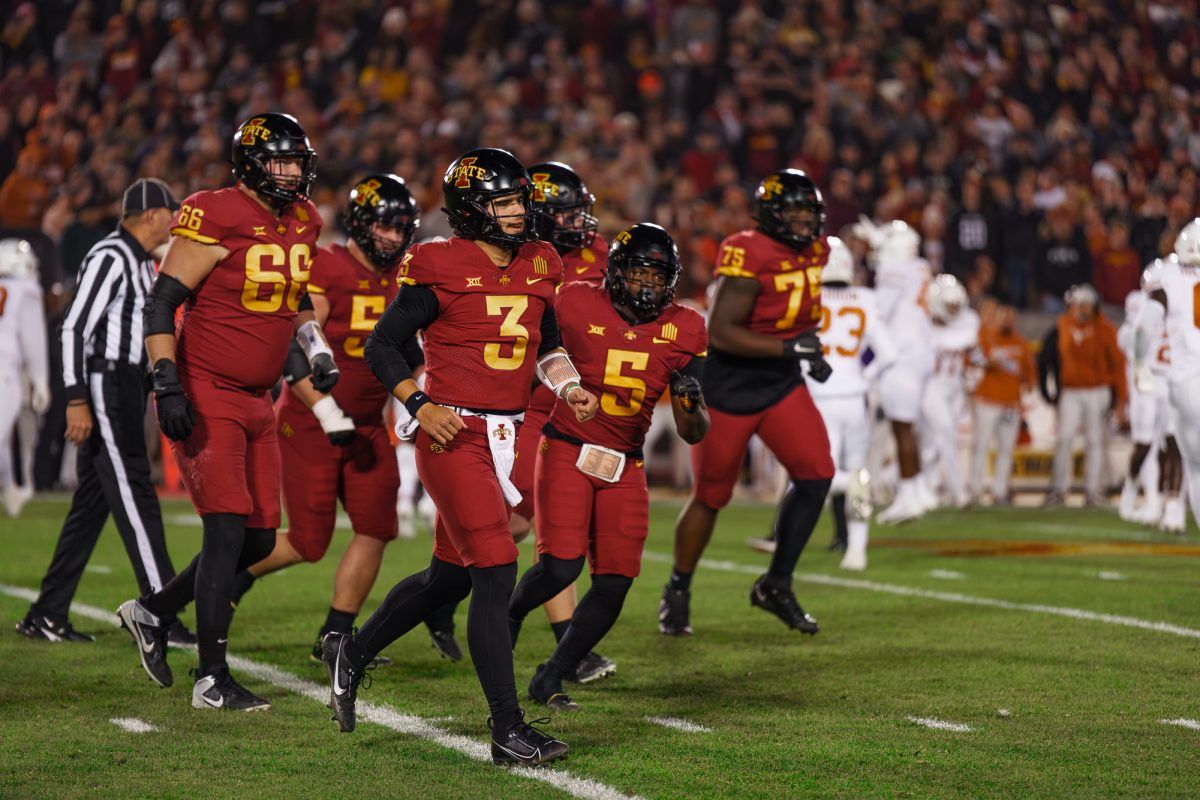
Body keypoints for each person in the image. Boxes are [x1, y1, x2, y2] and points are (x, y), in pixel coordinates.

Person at [322, 147, 599, 767]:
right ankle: (507, 729)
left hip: (505, 437)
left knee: (447, 577)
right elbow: (383, 345)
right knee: (496, 570)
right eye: (502, 202)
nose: (516, 212)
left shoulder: (540, 261)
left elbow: (546, 345)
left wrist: (567, 383)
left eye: (518, 200)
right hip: (453, 434)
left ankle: (353, 652)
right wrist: (419, 405)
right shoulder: (441, 263)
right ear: (473, 208)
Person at [115, 114, 338, 711]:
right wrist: (166, 384)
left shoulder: (305, 220)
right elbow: (162, 303)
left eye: (298, 161)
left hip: (258, 394)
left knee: (261, 535)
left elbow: (290, 299)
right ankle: (211, 676)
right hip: (206, 385)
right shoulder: (215, 212)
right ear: (250, 165)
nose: (292, 172)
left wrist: (314, 346)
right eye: (280, 161)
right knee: (226, 528)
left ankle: (152, 611)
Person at [508, 223, 709, 710]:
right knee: (559, 566)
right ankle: (507, 618)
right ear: (616, 273)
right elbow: (538, 356)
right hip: (566, 447)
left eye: (657, 276)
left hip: (626, 462)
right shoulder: (575, 301)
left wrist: (689, 403)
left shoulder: (687, 327)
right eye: (638, 272)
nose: (647, 285)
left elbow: (695, 432)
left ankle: (552, 673)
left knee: (616, 580)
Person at [226, 174, 422, 661]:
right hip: (311, 420)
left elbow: (412, 349)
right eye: (385, 228)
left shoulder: (404, 277)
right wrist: (326, 408)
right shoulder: (330, 266)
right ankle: (226, 582)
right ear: (359, 224)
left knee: (377, 527)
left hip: (368, 423)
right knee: (306, 542)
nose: (394, 239)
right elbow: (300, 340)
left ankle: (334, 637)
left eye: (401, 230)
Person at [16, 181, 193, 644]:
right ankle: (161, 613)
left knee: (92, 505)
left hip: (123, 383)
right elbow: (74, 327)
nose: (172, 221)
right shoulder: (112, 255)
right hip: (105, 382)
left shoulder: (137, 260)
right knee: (137, 491)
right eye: (169, 212)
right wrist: (77, 398)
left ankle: (47, 612)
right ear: (152, 213)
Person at [662, 169, 835, 637]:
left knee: (817, 475)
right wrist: (789, 349)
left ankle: (776, 584)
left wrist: (808, 351)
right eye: (794, 211)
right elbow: (721, 331)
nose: (804, 221)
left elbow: (794, 316)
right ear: (771, 214)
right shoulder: (747, 249)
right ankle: (678, 588)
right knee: (712, 496)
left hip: (780, 383)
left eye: (809, 211)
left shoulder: (818, 249)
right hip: (731, 386)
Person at [505, 159, 615, 683]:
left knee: (529, 524)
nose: (579, 224)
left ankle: (450, 590)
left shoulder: (599, 254)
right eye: (566, 215)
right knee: (543, 525)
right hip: (538, 406)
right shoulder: (522, 259)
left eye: (580, 214)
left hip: (582, 405)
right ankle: (567, 645)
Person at [800, 236, 894, 570]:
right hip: (856, 398)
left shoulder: (806, 297)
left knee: (819, 475)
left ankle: (848, 489)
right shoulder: (866, 298)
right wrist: (865, 377)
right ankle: (857, 550)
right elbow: (889, 354)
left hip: (819, 397)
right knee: (857, 472)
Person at [856, 218, 937, 524]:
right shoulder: (919, 266)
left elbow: (881, 309)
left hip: (901, 353)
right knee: (907, 427)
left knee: (900, 427)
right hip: (921, 350)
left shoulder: (895, 270)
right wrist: (879, 237)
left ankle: (907, 497)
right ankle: (918, 491)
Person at [1136, 220, 1200, 530]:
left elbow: (1145, 326)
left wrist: (1137, 362)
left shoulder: (1169, 278)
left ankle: (1170, 507)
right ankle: (1169, 506)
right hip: (1179, 377)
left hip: (1180, 378)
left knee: (1179, 450)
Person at [1039, 283, 1126, 506]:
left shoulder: (1105, 329)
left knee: (1095, 441)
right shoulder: (1061, 326)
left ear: (1094, 306)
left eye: (1086, 305)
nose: (1082, 309)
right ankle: (1058, 490)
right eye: (1079, 304)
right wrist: (1049, 390)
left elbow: (1117, 366)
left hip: (1097, 390)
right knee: (1064, 440)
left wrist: (1120, 399)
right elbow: (1046, 359)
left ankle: (1093, 491)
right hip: (1070, 391)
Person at [919, 274, 980, 509]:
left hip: (955, 388)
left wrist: (975, 374)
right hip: (931, 387)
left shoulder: (968, 320)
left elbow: (975, 353)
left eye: (956, 305)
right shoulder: (921, 323)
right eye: (949, 305)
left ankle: (923, 485)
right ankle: (958, 493)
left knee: (933, 444)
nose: (954, 310)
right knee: (945, 437)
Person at [0, 238, 48, 518]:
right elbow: (33, 338)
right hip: (5, 372)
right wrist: (40, 379)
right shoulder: (25, 290)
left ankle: (10, 488)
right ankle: (10, 487)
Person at [970, 304, 1035, 505]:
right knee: (980, 446)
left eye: (1010, 318)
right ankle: (975, 490)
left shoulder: (1022, 344)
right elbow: (976, 360)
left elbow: (1030, 377)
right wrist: (992, 363)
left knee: (1006, 449)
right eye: (1003, 317)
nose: (1006, 321)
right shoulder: (986, 338)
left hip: (1010, 405)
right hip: (988, 401)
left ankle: (999, 491)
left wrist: (1026, 384)